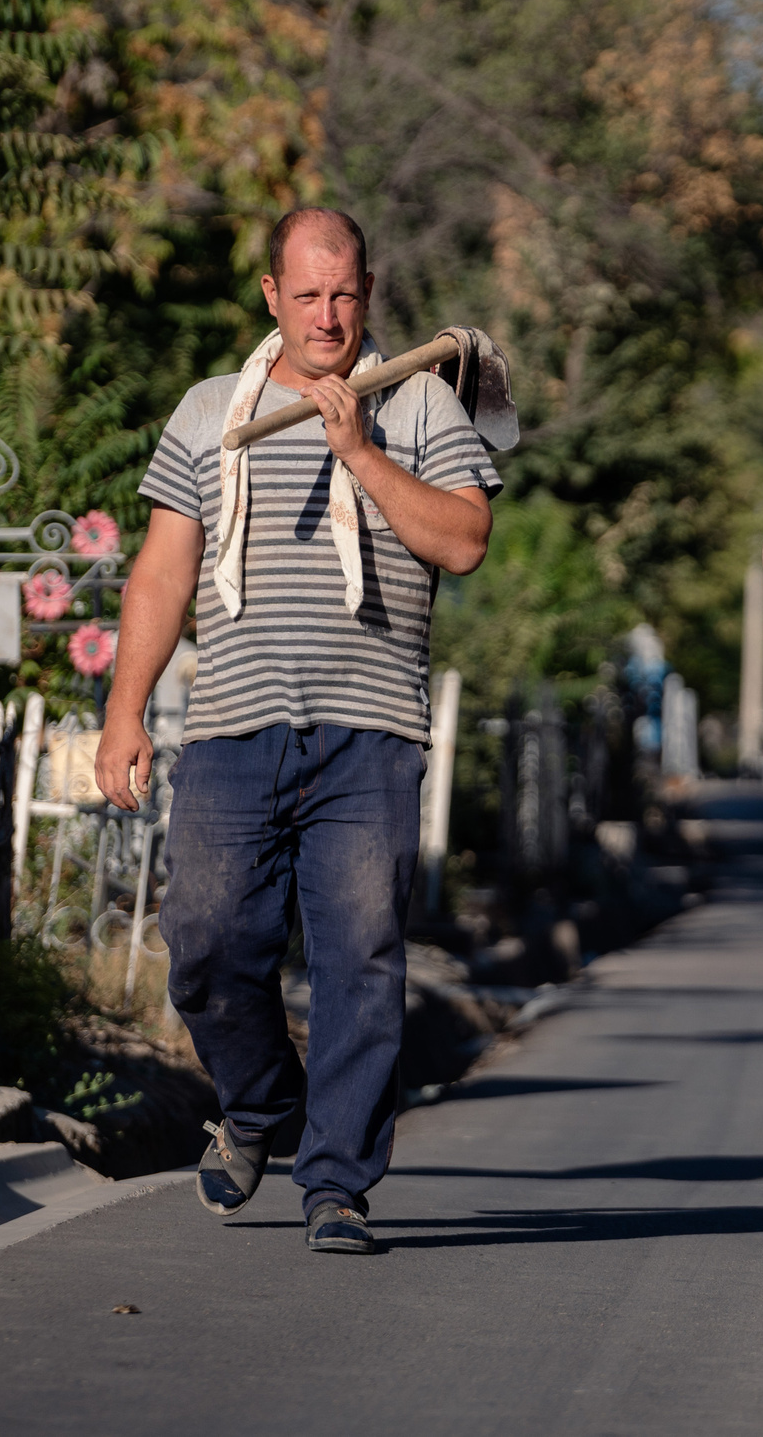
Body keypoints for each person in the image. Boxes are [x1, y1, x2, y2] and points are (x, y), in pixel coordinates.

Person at [97, 207, 499, 1254]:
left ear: (369, 293)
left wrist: (357, 449)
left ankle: (337, 1185)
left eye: (346, 294)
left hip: (370, 732)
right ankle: (263, 1109)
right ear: (271, 297)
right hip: (232, 730)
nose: (327, 315)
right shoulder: (207, 413)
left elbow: (463, 540)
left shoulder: (414, 403)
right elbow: (161, 571)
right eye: (307, 294)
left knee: (360, 957)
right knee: (206, 945)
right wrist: (125, 711)